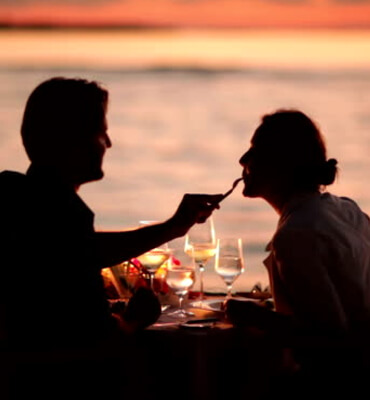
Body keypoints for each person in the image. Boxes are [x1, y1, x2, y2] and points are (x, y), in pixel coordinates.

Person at [0, 77, 222, 398]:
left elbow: (82, 248)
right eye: (101, 132)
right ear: (73, 141)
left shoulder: (15, 197)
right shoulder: (66, 214)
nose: (109, 142)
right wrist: (134, 319)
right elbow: (91, 338)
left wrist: (174, 227)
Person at [226, 109, 370, 398]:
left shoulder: (295, 235)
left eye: (254, 151)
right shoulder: (346, 210)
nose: (242, 160)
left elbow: (330, 339)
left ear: (281, 166)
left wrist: (255, 317)